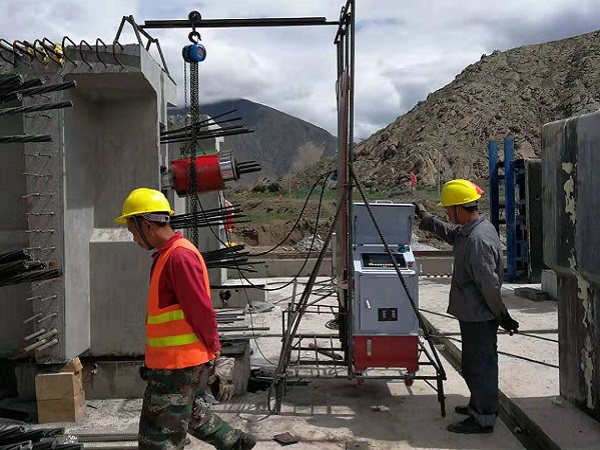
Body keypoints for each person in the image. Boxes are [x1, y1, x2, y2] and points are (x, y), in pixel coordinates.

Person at [115, 187, 257, 450]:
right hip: (172, 362)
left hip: (177, 364)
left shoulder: (179, 257)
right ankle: (235, 441)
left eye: (133, 232)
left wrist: (214, 347)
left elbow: (200, 309)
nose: (134, 239)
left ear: (147, 225)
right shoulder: (168, 255)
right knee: (186, 413)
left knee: (158, 437)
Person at [413, 179, 519, 434]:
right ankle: (477, 405)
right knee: (473, 364)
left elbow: (489, 284)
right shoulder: (472, 229)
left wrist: (502, 315)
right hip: (472, 313)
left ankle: (483, 418)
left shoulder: (478, 240)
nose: (447, 214)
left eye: (449, 210)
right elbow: (451, 234)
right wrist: (426, 218)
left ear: (460, 208)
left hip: (480, 315)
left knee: (481, 366)